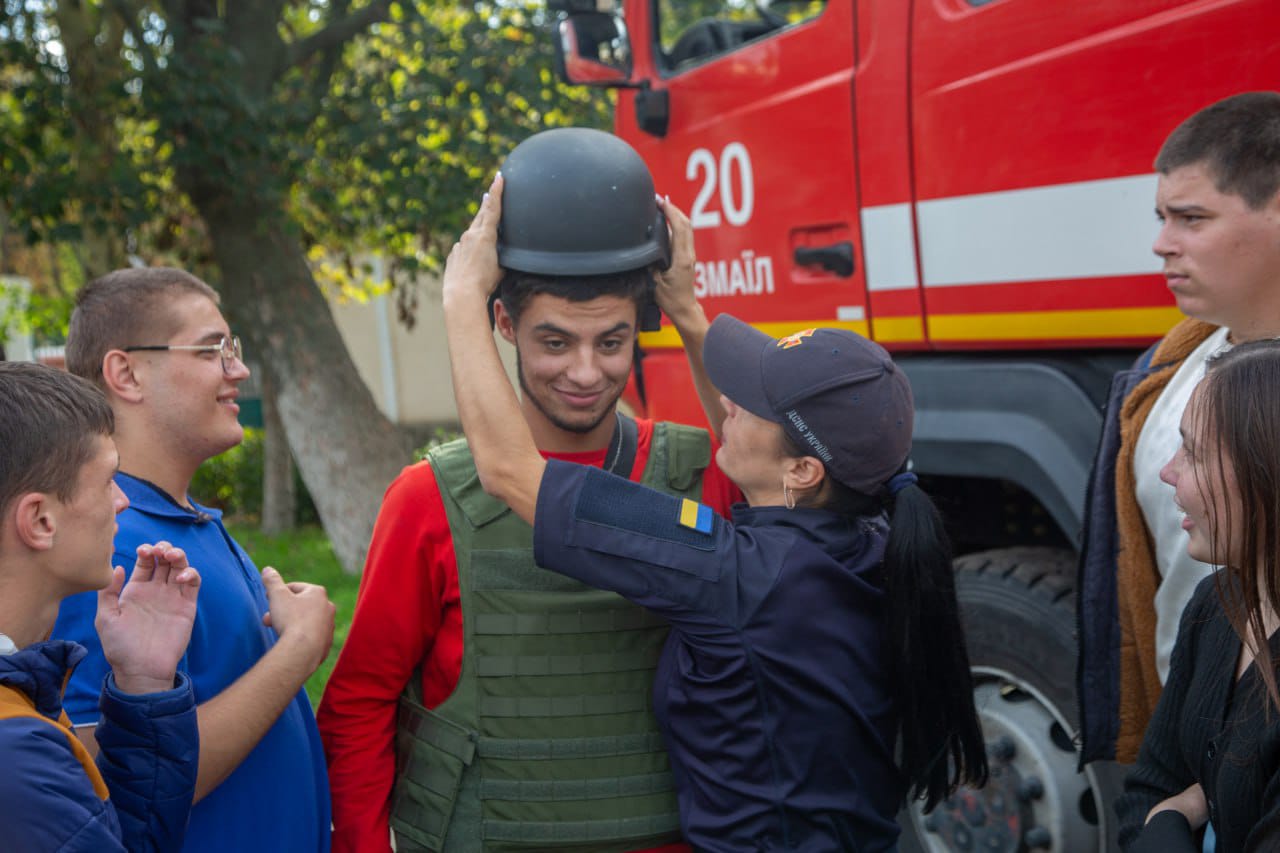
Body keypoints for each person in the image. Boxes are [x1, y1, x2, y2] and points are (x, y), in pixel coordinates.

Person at [438, 172, 989, 851]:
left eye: (750, 400)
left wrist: (464, 295)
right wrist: (687, 310)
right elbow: (755, 447)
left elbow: (508, 471)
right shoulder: (871, 538)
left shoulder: (736, 577)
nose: (726, 401)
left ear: (803, 470)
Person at [317, 127, 741, 853]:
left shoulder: (697, 476)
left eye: (611, 341)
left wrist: (692, 310)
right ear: (504, 324)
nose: (585, 371)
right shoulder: (429, 499)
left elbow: (765, 456)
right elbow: (359, 705)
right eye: (555, 342)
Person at [52, 268, 336, 852]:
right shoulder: (102, 549)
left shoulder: (186, 523)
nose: (239, 370)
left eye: (234, 349)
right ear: (125, 373)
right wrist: (296, 655)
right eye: (212, 351)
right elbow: (108, 780)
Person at [1078, 91, 1280, 765]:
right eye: (1163, 217)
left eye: (1191, 217)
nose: (1161, 243)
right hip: (1186, 751)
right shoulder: (1161, 373)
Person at [0, 361, 201, 852]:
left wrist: (145, 686)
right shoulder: (14, 758)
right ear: (41, 520)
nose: (122, 502)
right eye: (110, 479)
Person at [1115, 339, 1280, 852]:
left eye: (1195, 452)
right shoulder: (1217, 603)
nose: (1168, 471)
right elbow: (1146, 788)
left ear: (1267, 474)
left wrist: (1169, 821)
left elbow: (1153, 811)